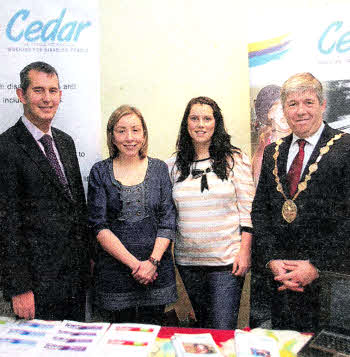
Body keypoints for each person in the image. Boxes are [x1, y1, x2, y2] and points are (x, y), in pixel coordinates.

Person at [251, 72, 350, 332]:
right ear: (284, 109)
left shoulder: (346, 148)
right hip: (281, 281)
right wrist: (273, 260)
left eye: (308, 102)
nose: (300, 111)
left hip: (329, 280)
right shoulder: (273, 152)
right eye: (292, 104)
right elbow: (261, 211)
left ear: (322, 105)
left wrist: (316, 265)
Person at [0, 61, 89, 321]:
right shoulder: (6, 147)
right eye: (39, 90)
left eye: (53, 91)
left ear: (61, 95)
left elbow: (77, 208)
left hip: (74, 280)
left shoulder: (65, 142)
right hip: (36, 286)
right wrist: (19, 288)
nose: (47, 98)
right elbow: (6, 225)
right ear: (21, 95)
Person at [168, 96, 255, 329]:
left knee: (222, 329)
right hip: (188, 263)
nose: (201, 124)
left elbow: (249, 211)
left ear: (216, 123)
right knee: (204, 329)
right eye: (194, 118)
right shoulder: (174, 166)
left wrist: (245, 252)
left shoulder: (235, 160)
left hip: (227, 263)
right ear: (186, 124)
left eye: (207, 118)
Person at [87, 105, 177, 324]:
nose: (129, 137)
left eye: (136, 130)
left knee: (153, 339)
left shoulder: (159, 169)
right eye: (121, 130)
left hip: (156, 272)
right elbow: (99, 226)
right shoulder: (99, 172)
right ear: (112, 136)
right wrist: (136, 266)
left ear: (144, 134)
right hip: (115, 275)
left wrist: (152, 263)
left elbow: (168, 219)